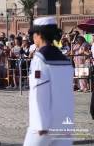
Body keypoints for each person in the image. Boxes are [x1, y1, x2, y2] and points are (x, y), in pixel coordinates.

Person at [23, 17, 74, 146]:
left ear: (39, 35)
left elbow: (39, 92)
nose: (33, 37)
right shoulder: (65, 60)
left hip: (45, 125)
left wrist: (40, 124)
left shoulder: (40, 59)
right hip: (64, 124)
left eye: (34, 34)